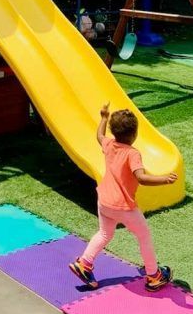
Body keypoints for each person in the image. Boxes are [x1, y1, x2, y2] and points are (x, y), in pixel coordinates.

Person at [69, 102, 177, 292]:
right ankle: (154, 275)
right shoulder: (132, 153)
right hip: (123, 207)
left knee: (105, 233)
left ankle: (84, 263)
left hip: (104, 200)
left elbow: (99, 136)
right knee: (144, 236)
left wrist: (103, 117)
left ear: (114, 131)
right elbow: (142, 178)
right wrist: (164, 179)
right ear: (134, 134)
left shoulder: (109, 144)